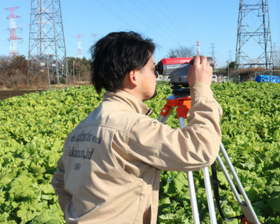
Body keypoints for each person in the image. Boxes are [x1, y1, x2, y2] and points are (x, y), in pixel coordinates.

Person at [52, 31, 223, 224]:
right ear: (134, 76)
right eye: (152, 69)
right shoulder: (131, 126)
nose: (157, 75)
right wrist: (201, 89)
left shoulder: (81, 128)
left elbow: (59, 181)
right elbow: (201, 150)